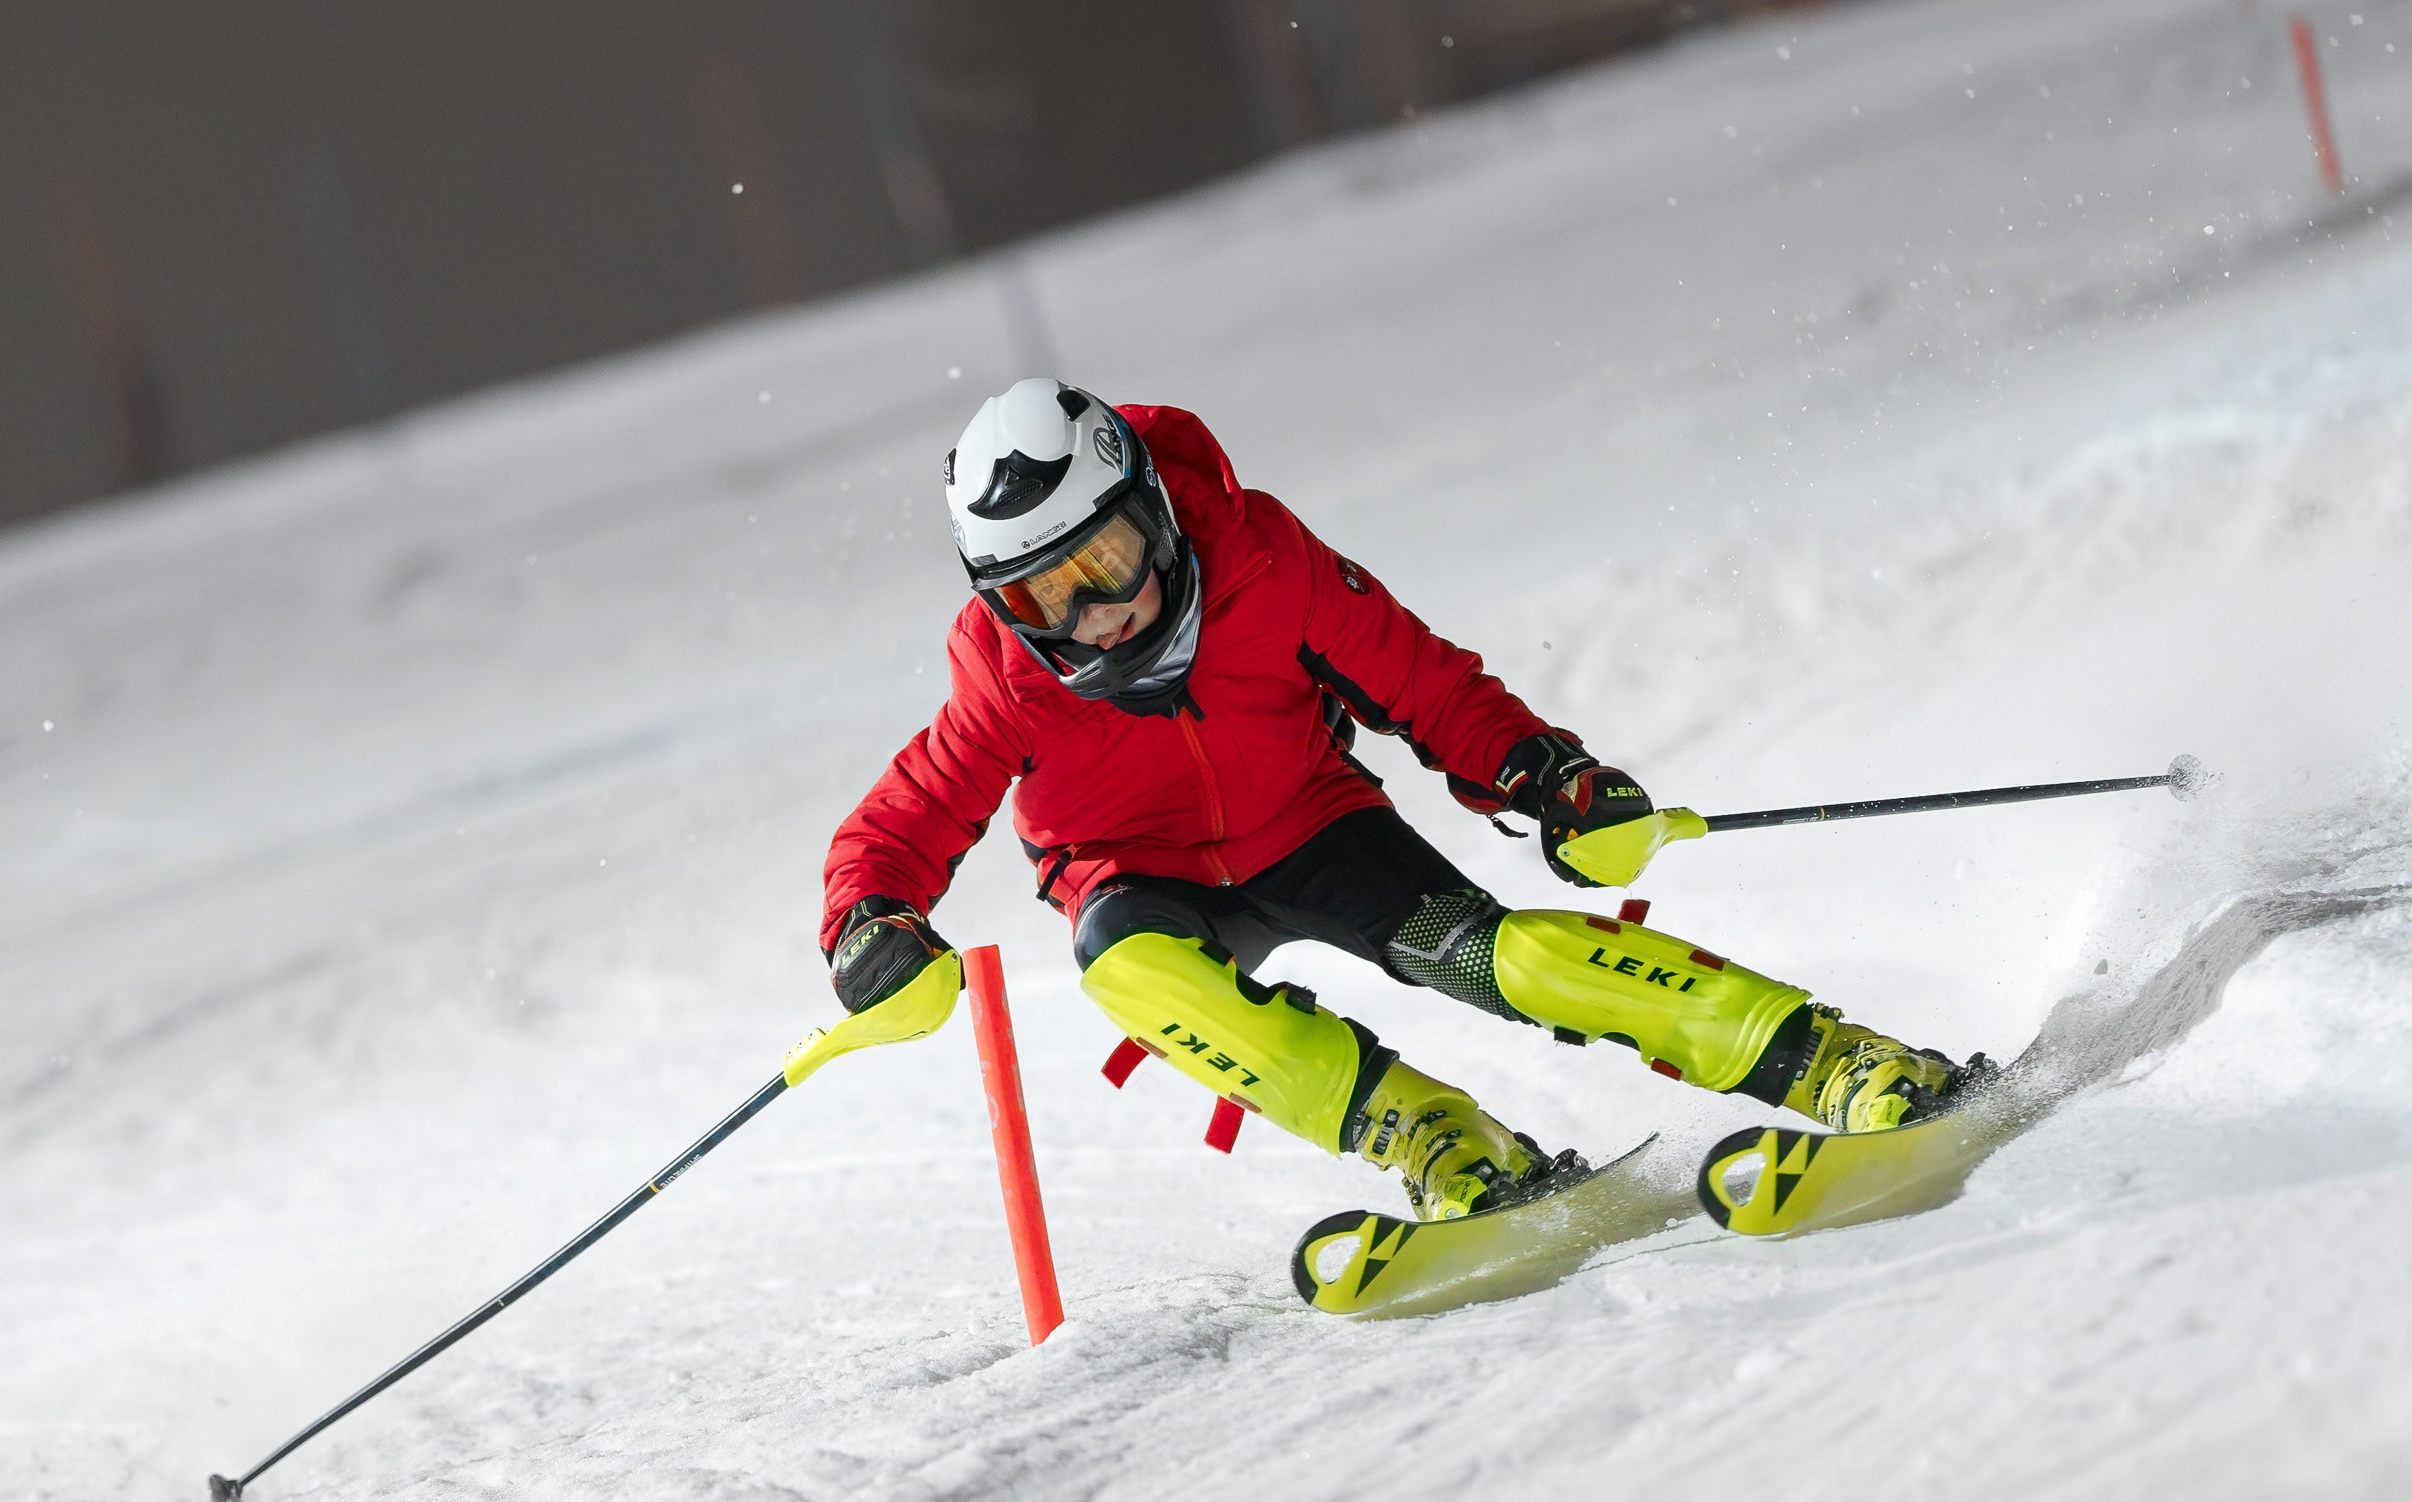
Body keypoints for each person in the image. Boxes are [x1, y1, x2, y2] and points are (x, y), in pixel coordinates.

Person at [820, 379, 1976, 1220]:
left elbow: (1420, 682)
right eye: (1044, 596)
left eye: (1107, 562)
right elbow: (903, 821)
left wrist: (1541, 775)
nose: (1094, 616)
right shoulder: (1009, 678)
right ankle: (1437, 1137)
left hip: (1318, 833)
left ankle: (1831, 1058)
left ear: (1154, 513)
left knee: (1500, 959)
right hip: (1143, 878)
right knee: (1125, 967)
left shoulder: (1260, 561)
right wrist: (869, 923)